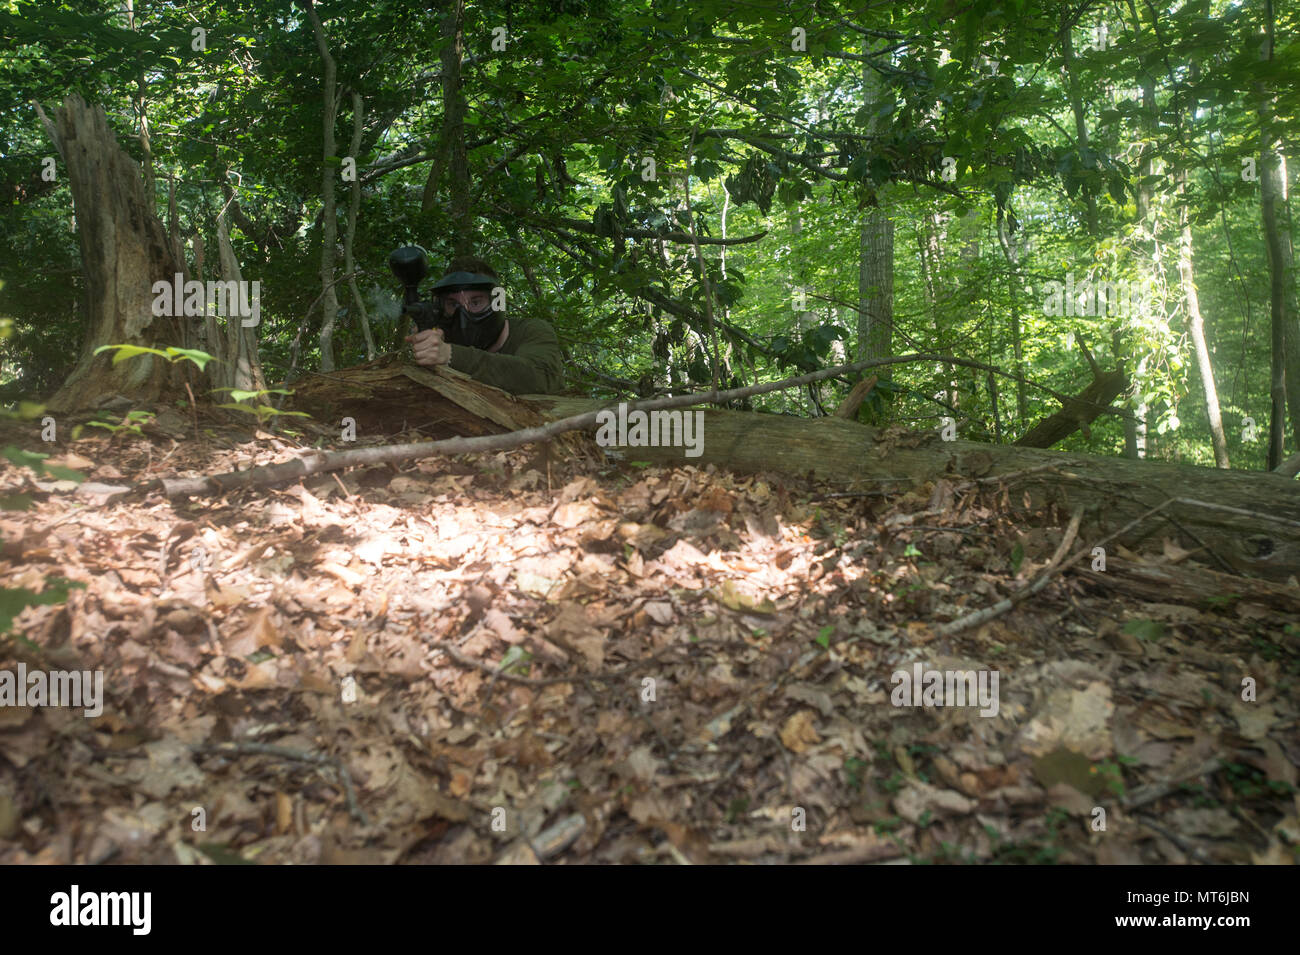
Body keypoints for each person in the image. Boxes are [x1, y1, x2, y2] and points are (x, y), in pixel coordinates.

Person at [405, 255, 564, 395]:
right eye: (453, 304)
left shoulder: (532, 330)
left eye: (475, 302)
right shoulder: (444, 335)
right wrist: (427, 346)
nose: (463, 314)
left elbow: (539, 378)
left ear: (497, 303)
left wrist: (450, 355)